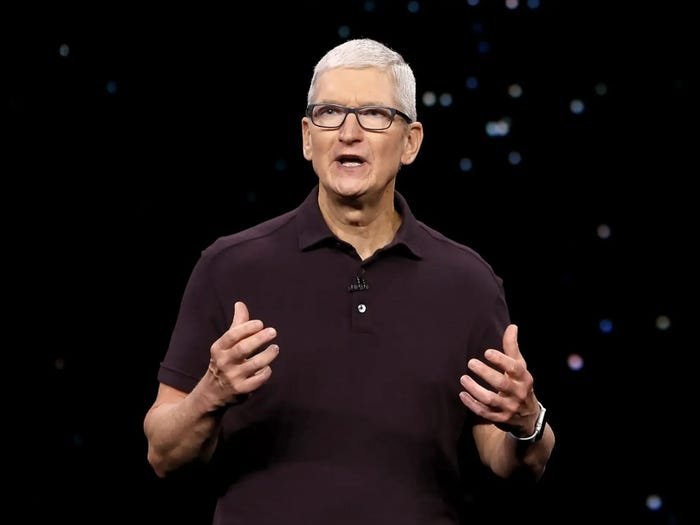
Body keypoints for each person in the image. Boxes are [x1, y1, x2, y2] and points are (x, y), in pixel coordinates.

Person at [143, 38, 555, 524]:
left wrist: (528, 423)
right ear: (306, 138)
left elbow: (510, 462)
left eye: (374, 114)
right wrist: (210, 394)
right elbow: (162, 455)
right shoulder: (229, 266)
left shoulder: (468, 282)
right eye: (330, 112)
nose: (348, 132)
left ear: (411, 142)